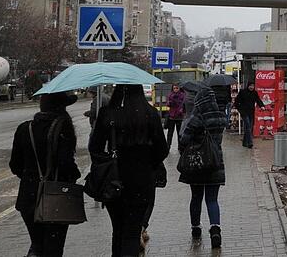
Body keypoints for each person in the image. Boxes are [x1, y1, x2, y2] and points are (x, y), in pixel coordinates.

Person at [89, 85, 169, 257]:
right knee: (132, 231)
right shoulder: (150, 113)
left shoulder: (107, 113)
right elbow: (162, 149)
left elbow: (94, 148)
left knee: (117, 229)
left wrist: (107, 163)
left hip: (114, 180)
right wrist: (148, 163)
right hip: (141, 181)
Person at [9, 92, 80, 257]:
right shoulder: (63, 128)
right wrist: (72, 176)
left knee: (37, 243)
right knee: (54, 247)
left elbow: (15, 165)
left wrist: (32, 179)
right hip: (55, 198)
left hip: (28, 198)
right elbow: (66, 165)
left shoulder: (24, 128)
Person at [178, 84, 228, 249]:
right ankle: (215, 230)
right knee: (212, 199)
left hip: (198, 163)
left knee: (196, 197)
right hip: (215, 162)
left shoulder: (197, 117)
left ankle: (196, 228)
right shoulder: (221, 117)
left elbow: (184, 139)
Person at [234, 83, 266, 148]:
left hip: (251, 112)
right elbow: (236, 102)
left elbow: (258, 100)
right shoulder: (243, 92)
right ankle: (250, 142)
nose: (251, 87)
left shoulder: (254, 93)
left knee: (249, 127)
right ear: (248, 86)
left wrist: (262, 106)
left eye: (253, 86)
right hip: (244, 112)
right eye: (250, 86)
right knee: (248, 126)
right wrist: (240, 109)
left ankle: (244, 143)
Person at [166, 84, 186, 148]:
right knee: (170, 133)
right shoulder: (170, 95)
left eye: (177, 88)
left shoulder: (183, 95)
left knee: (179, 133)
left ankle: (180, 147)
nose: (175, 89)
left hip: (179, 117)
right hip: (171, 117)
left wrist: (181, 109)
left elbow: (184, 105)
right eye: (174, 88)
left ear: (179, 88)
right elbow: (168, 104)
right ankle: (168, 146)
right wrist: (169, 103)